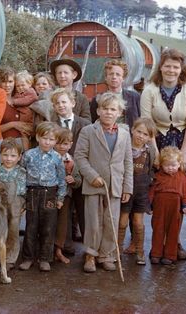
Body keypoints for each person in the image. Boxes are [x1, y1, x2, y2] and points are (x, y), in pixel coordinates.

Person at [140, 48, 186, 260]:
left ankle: (175, 241)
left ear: (181, 68)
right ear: (161, 67)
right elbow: (147, 123)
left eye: (176, 66)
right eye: (167, 66)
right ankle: (158, 241)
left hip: (185, 143)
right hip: (158, 141)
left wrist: (184, 153)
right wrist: (155, 153)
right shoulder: (150, 89)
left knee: (180, 194)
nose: (171, 70)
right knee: (160, 193)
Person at [75, 92, 133, 273]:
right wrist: (92, 176)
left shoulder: (124, 134)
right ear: (98, 111)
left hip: (115, 186)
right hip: (94, 185)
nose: (109, 112)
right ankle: (91, 255)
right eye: (105, 109)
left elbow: (128, 162)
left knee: (111, 221)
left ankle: (106, 255)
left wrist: (127, 187)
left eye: (113, 109)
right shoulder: (88, 131)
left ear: (119, 112)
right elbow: (80, 157)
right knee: (93, 222)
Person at [19, 122, 67, 272]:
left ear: (56, 141)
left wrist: (60, 198)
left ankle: (45, 258)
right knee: (31, 226)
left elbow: (61, 179)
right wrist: (22, 196)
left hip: (50, 194)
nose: (47, 142)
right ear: (38, 137)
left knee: (48, 227)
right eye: (45, 138)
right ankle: (28, 258)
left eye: (52, 139)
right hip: (32, 193)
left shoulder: (57, 157)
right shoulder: (29, 155)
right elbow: (21, 174)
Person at [50, 88, 90, 251]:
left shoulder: (85, 124)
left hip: (80, 170)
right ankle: (64, 244)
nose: (61, 105)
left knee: (83, 208)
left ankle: (90, 246)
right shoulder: (51, 125)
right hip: (59, 172)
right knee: (63, 209)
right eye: (57, 103)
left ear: (73, 103)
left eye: (64, 101)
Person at [118, 117, 157, 266]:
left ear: (150, 137)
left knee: (138, 222)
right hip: (126, 189)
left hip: (142, 191)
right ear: (132, 130)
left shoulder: (150, 151)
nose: (141, 136)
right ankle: (118, 250)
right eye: (139, 131)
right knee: (122, 221)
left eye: (145, 134)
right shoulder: (124, 147)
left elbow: (152, 168)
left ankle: (140, 252)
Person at [149, 146, 186, 265]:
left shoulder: (183, 177)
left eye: (173, 165)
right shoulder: (157, 176)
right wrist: (149, 206)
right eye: (167, 165)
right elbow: (151, 192)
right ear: (161, 165)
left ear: (179, 164)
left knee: (173, 231)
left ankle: (170, 255)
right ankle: (156, 253)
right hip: (160, 206)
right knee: (158, 229)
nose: (170, 168)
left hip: (176, 207)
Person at [0, 138, 26, 270]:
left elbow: (22, 191)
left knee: (13, 232)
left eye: (13, 155)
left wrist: (23, 206)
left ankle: (9, 259)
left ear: (19, 157)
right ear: (0, 155)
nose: (9, 159)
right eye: (5, 155)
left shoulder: (21, 172)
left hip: (15, 206)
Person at [53, 128, 82, 264]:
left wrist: (73, 180)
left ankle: (59, 250)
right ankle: (45, 250)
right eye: (58, 143)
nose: (61, 146)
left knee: (62, 223)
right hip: (50, 194)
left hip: (65, 196)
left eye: (65, 144)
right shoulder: (49, 157)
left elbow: (78, 180)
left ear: (70, 144)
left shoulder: (72, 160)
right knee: (48, 222)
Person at [89, 59, 141, 129]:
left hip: (129, 137)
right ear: (106, 78)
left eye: (118, 74)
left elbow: (141, 120)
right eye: (111, 74)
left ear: (123, 78)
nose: (114, 77)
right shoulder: (97, 99)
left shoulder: (134, 97)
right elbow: (93, 122)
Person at [0, 66, 33, 151]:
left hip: (24, 145)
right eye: (3, 82)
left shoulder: (21, 99)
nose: (7, 85)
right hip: (5, 146)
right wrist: (13, 124)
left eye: (10, 81)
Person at [12, 70, 38, 150]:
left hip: (28, 119)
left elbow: (26, 100)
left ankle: (27, 151)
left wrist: (14, 101)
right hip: (22, 119)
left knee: (25, 134)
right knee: (23, 135)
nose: (20, 88)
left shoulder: (31, 92)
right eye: (18, 86)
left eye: (23, 85)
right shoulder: (18, 93)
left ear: (29, 84)